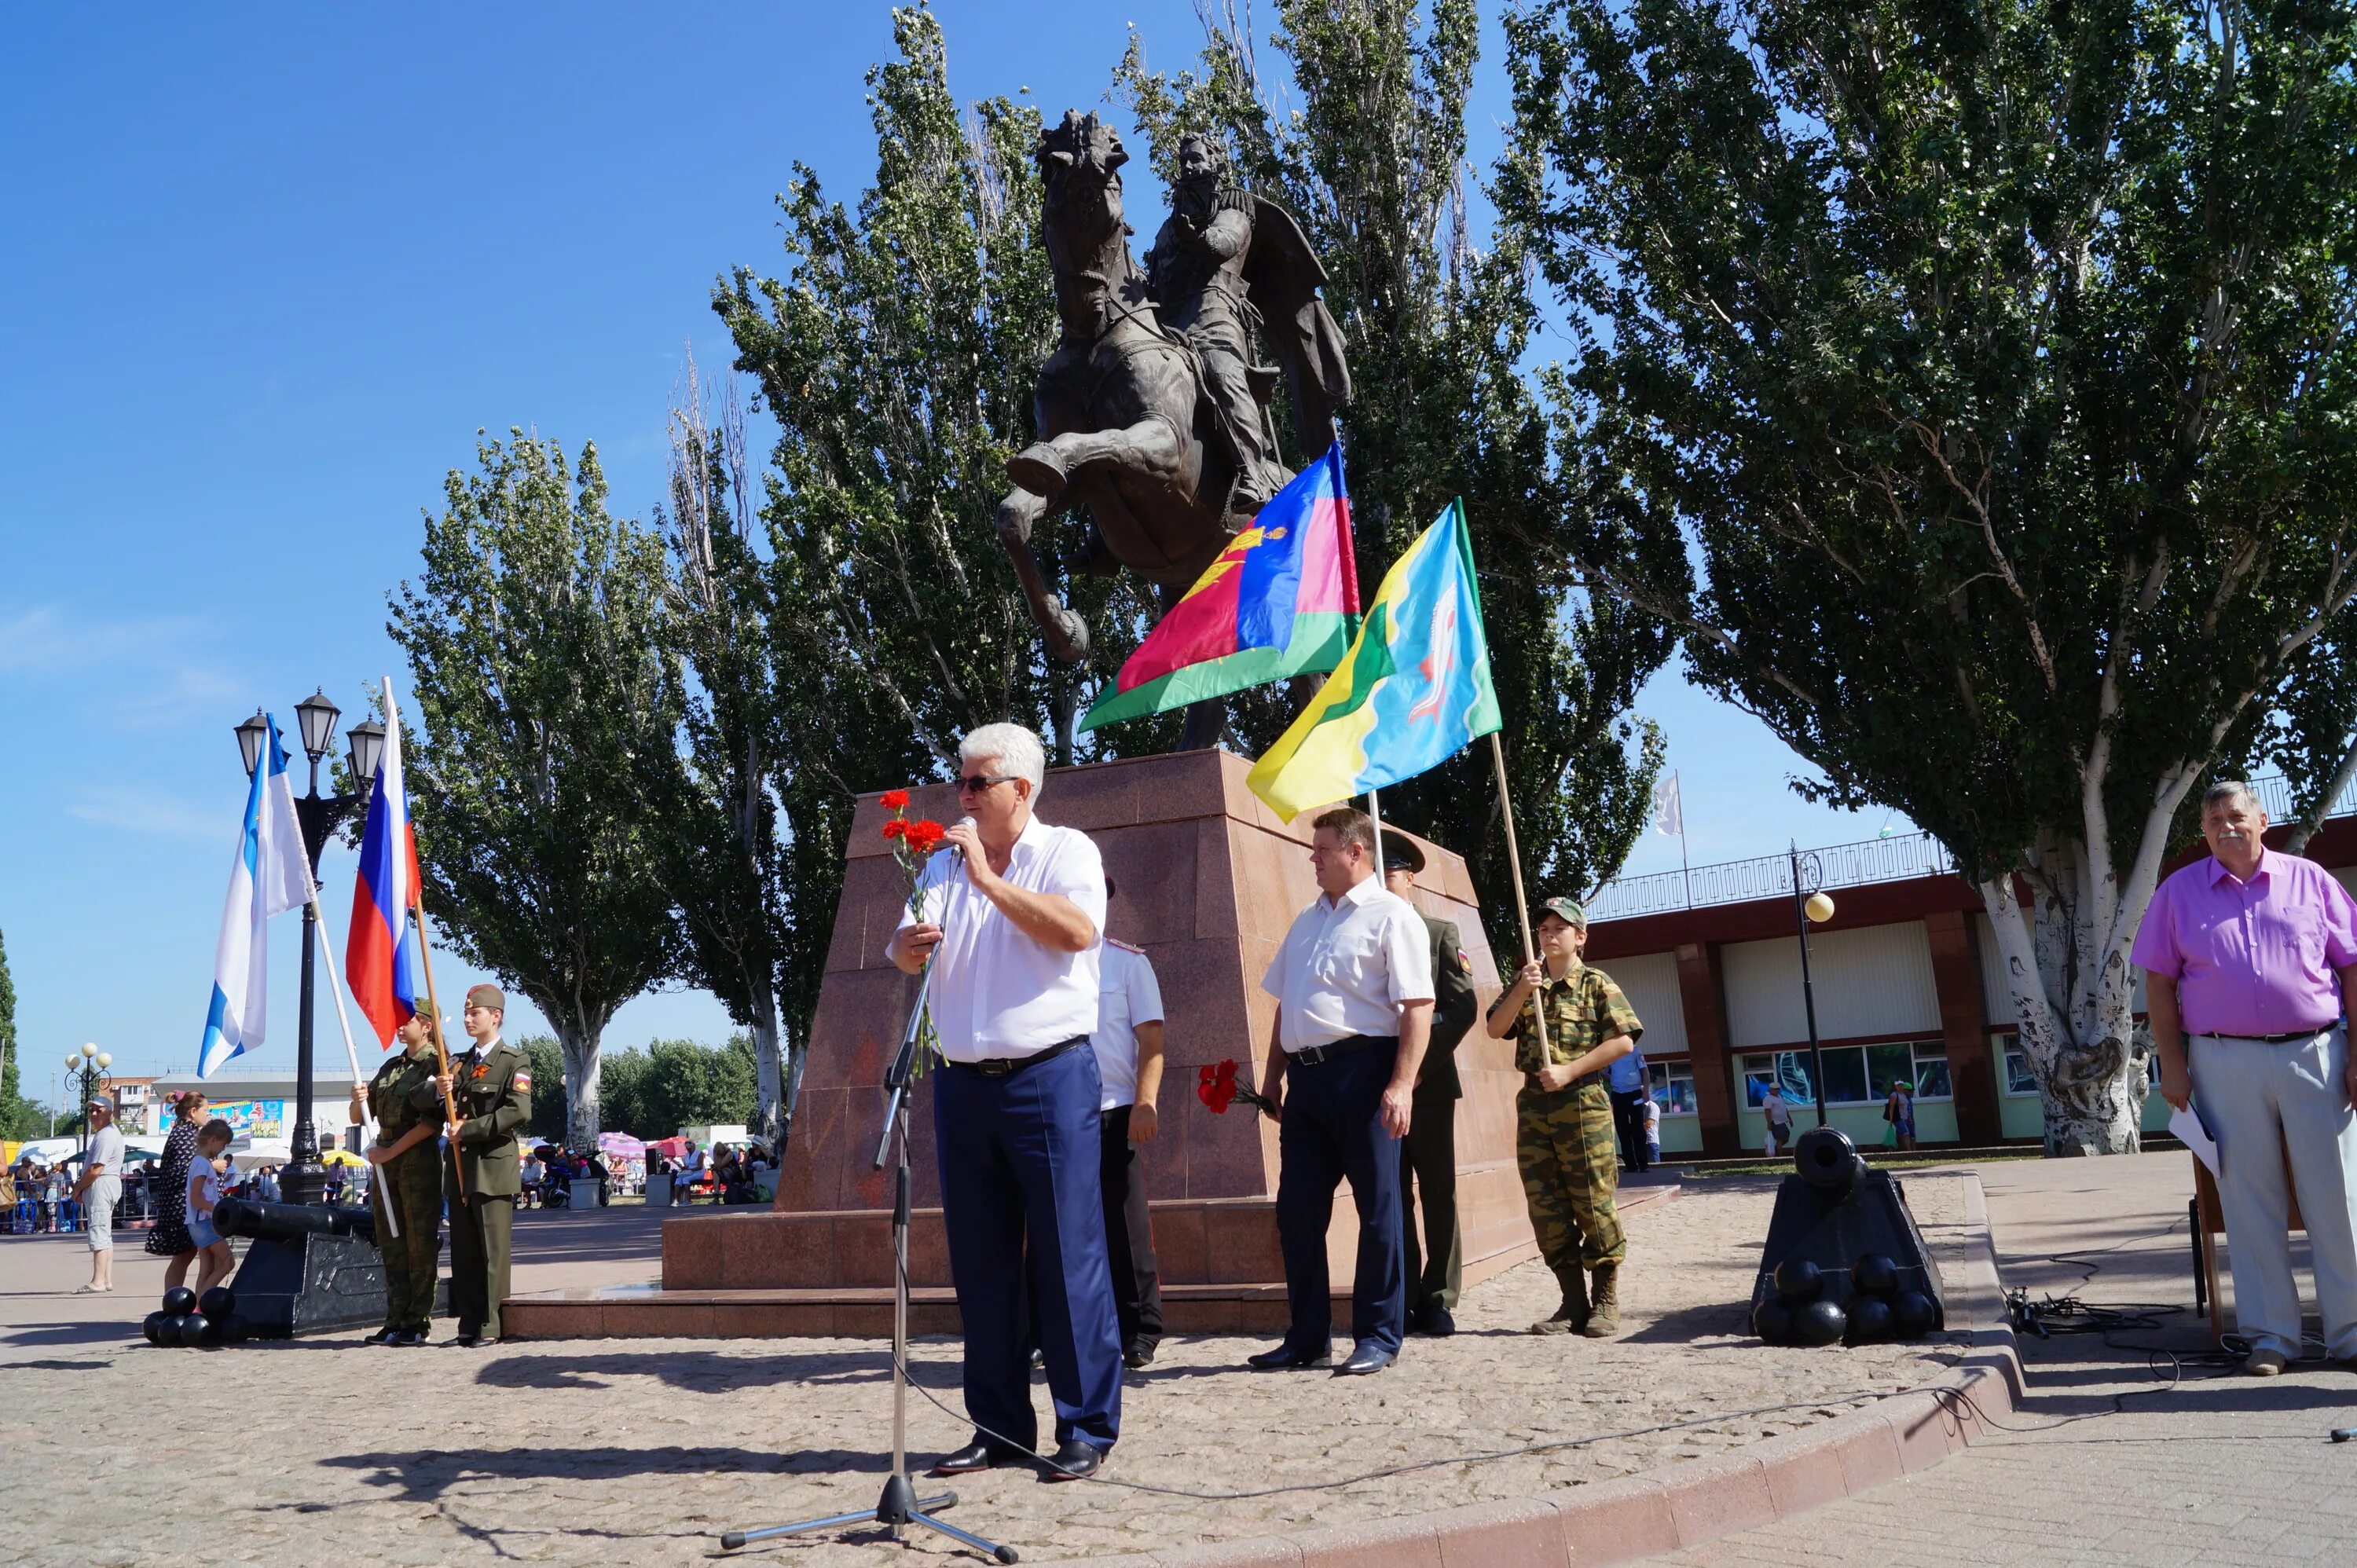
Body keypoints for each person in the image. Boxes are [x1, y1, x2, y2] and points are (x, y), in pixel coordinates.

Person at [890, 722, 1120, 1482]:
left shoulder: (1067, 852)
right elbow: (899, 949)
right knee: (982, 1264)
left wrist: (989, 882)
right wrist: (906, 948)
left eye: (976, 783)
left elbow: (1078, 932)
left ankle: (1084, 1426)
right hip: (962, 1082)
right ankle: (998, 1426)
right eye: (958, 781)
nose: (962, 795)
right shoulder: (941, 868)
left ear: (1023, 789)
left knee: (1067, 1256)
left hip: (1048, 1079)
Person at [2135, 778, 2357, 1377]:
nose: (2224, 827)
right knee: (2248, 1199)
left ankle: (2350, 1333)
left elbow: (2353, 967)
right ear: (2203, 833)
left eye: (2235, 815)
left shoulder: (2311, 882)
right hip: (2221, 1060)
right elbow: (2158, 983)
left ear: (2263, 819)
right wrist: (2173, 1066)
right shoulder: (2178, 895)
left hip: (2316, 1053)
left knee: (2336, 1195)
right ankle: (2271, 1339)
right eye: (2212, 821)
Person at [1249, 807, 1435, 1377]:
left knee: (1379, 1210)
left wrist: (1401, 1084)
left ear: (1356, 852)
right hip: (1306, 1081)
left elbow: (1417, 1007)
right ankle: (1307, 1337)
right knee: (1297, 1213)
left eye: (1322, 848)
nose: (1313, 857)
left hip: (1366, 1073)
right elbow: (1289, 1001)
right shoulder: (1308, 919)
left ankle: (1378, 1334)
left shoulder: (1392, 916)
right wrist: (1272, 1075)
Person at [1484, 896, 1640, 1337]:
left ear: (1580, 937)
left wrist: (1570, 1069)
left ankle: (1604, 1299)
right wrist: (1521, 987)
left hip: (1581, 1101)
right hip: (1535, 1106)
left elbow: (1624, 1041)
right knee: (1546, 1205)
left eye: (1560, 928)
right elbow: (1496, 1028)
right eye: (1544, 929)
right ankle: (1572, 1302)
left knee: (1592, 1201)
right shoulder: (1527, 983)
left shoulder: (1595, 984)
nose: (1550, 935)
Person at [1379, 831, 1479, 1339]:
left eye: (1391, 871)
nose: (1383, 880)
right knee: (1393, 1195)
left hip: (1431, 1087)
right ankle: (1406, 1297)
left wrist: (1417, 1069)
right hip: (1377, 1090)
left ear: (1410, 877)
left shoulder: (1437, 933)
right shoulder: (1364, 935)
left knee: (1438, 1192)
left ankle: (1438, 1296)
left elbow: (1461, 1007)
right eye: (1377, 871)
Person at [1088, 874, 1168, 1368]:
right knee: (1053, 1226)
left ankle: (1141, 1328)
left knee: (1125, 1223)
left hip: (1115, 1110)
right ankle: (1044, 1329)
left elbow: (1152, 1041)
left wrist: (1146, 1101)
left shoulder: (1127, 964)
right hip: (1055, 1112)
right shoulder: (1040, 964)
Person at [435, 983, 533, 1346]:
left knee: (492, 1252)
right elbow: (432, 1103)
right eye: (465, 1013)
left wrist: (470, 1129)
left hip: (492, 1166)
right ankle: (469, 1323)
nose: (467, 1019)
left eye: (475, 1013)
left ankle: (492, 1325)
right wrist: (438, 1088)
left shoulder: (513, 1061)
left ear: (496, 1016)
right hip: (460, 1167)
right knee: (464, 1250)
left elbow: (518, 1110)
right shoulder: (459, 1063)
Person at [351, 1002, 449, 1347]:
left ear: (425, 1026)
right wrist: (358, 1097)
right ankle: (394, 1318)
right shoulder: (392, 1066)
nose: (398, 1026)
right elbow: (360, 1114)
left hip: (415, 1158)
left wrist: (390, 1153)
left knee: (418, 1243)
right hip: (386, 1158)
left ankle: (416, 1321)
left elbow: (432, 1123)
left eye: (405, 1020)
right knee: (391, 1241)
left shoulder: (436, 1065)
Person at [146, 1090, 206, 1287]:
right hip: (180, 1204)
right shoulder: (185, 1134)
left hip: (181, 1203)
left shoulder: (185, 1132)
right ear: (193, 1111)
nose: (208, 1114)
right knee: (183, 1256)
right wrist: (212, 1166)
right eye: (206, 1110)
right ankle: (175, 1301)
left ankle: (175, 1300)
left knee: (185, 1255)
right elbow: (183, 1170)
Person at [70, 1094, 126, 1293]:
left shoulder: (106, 1135)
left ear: (110, 1112)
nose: (93, 1114)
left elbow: (96, 1169)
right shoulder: (109, 1133)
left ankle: (98, 1281)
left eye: (98, 1110)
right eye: (91, 1110)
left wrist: (78, 1188)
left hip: (101, 1183)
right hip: (107, 1182)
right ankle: (106, 1279)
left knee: (98, 1230)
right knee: (104, 1231)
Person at [184, 1118, 236, 1299]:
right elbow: (196, 1198)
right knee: (227, 1262)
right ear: (213, 1140)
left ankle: (198, 1309)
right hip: (205, 1221)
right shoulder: (202, 1164)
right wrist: (217, 1210)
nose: (223, 1149)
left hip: (196, 1223)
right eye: (224, 1144)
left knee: (207, 1267)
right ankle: (203, 1300)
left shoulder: (199, 1162)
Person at [1608, 1039, 1651, 1173]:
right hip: (1618, 1094)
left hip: (1634, 1093)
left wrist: (1645, 1091)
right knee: (1622, 1129)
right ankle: (1630, 1165)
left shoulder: (1635, 1050)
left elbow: (1645, 1072)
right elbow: (1605, 1071)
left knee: (1638, 1128)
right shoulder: (1611, 1052)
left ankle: (1643, 1163)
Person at [1761, 1083, 1794, 1157]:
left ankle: (1777, 1150)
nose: (1777, 1090)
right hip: (1776, 1122)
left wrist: (1790, 1119)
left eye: (1778, 1089)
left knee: (1786, 1137)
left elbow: (1784, 1108)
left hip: (1782, 1121)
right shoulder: (1768, 1098)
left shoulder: (1779, 1097)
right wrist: (1769, 1123)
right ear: (1771, 1090)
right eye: (1775, 1089)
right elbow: (1767, 1111)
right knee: (1780, 1138)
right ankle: (1780, 1156)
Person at [1883, 1080, 1915, 1152]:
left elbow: (1906, 1107)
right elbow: (1891, 1108)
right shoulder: (1894, 1095)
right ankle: (1910, 1152)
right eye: (1898, 1085)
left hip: (1904, 1118)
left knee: (1899, 1136)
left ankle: (1891, 1151)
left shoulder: (1904, 1095)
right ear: (1895, 1086)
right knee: (1906, 1134)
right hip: (1898, 1118)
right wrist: (1891, 1120)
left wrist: (1909, 1118)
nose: (1900, 1087)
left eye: (1901, 1085)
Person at [1643, 1088, 1662, 1168]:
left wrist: (1634, 1129)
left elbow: (1648, 1124)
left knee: (1655, 1168)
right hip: (1641, 1142)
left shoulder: (1652, 1106)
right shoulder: (1638, 1107)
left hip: (1651, 1142)